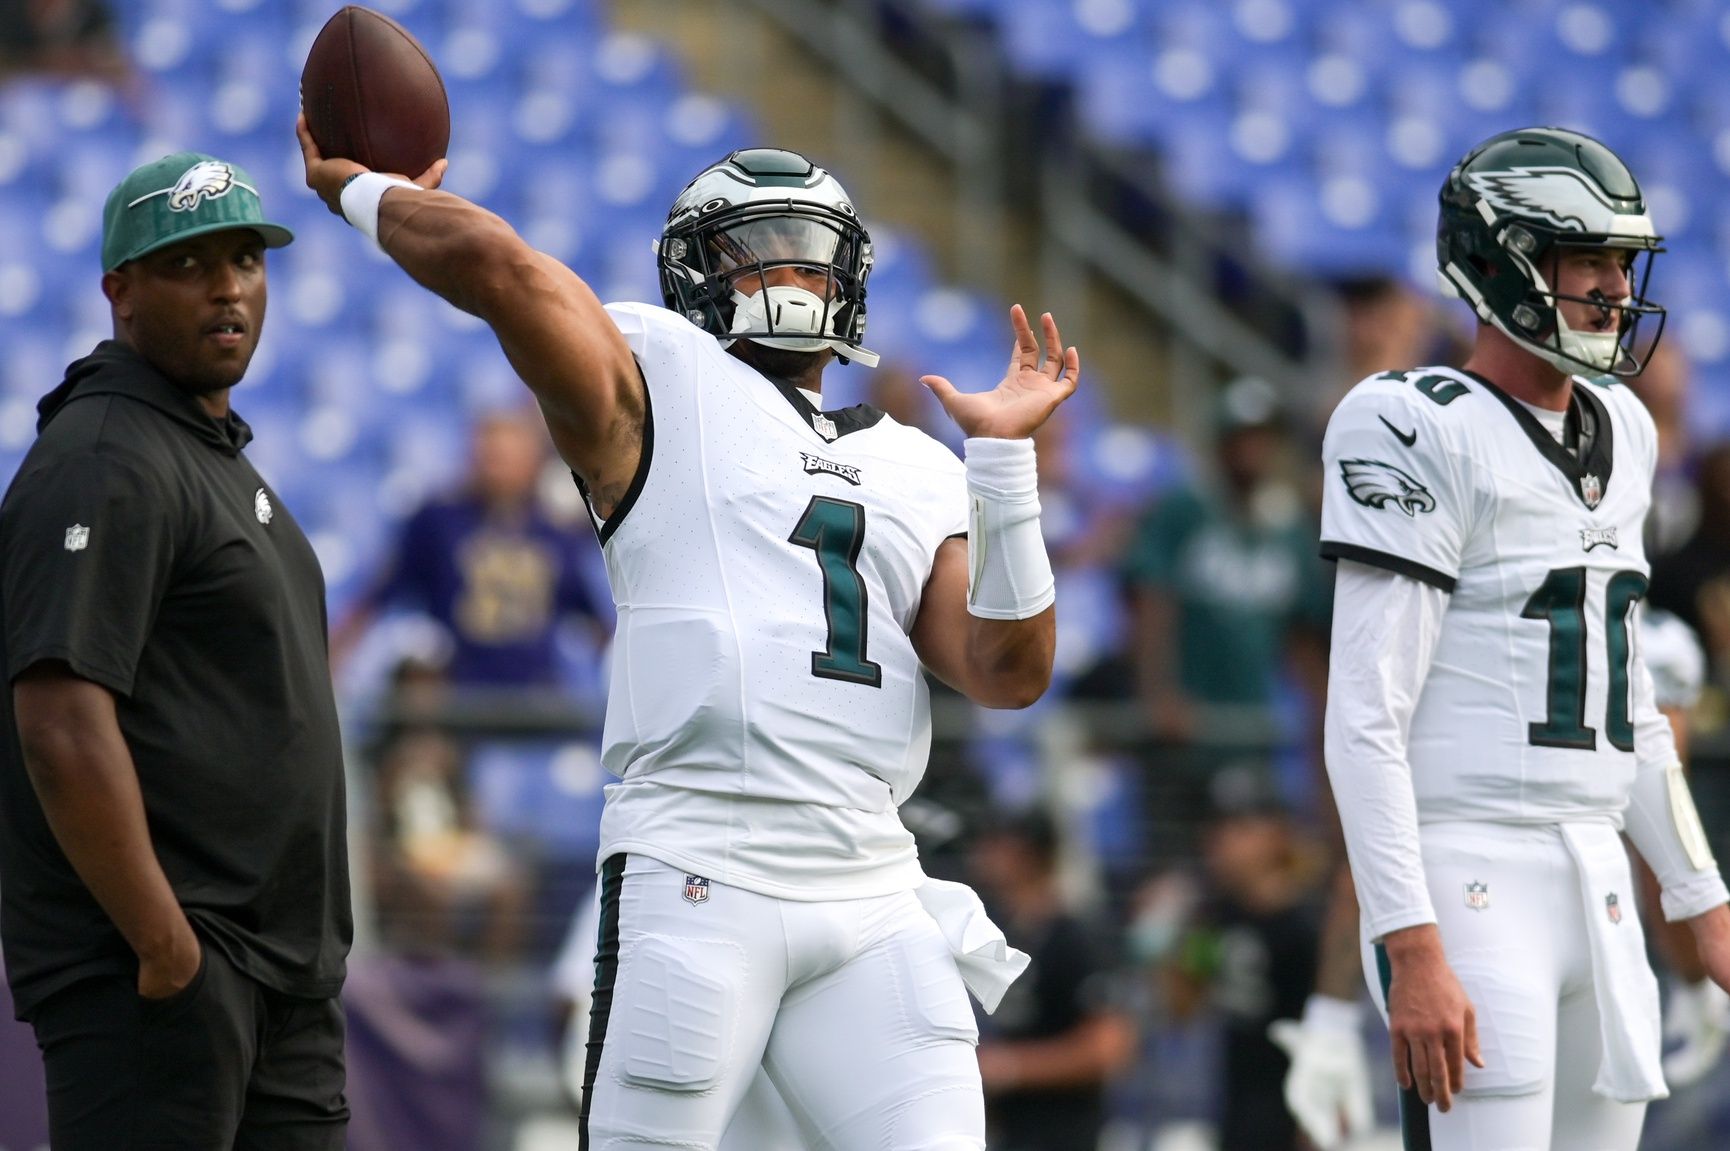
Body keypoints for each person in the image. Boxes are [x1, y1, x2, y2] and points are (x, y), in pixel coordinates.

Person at [300, 123, 1077, 1149]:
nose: (788, 271)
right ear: (698, 273)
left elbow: (1008, 672)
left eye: (808, 247)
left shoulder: (918, 463)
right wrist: (372, 193)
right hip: (700, 860)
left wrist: (1004, 470)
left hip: (871, 884)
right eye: (759, 247)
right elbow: (501, 268)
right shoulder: (656, 379)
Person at [1316, 126, 1730, 1150]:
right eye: (1583, 256)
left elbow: (1629, 705)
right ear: (1499, 262)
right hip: (1471, 866)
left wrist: (1700, 899)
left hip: (1596, 873)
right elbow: (1363, 714)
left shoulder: (1622, 428)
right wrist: (1406, 939)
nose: (1612, 287)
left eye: (1620, 260)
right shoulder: (1412, 418)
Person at [0, 152, 350, 1148]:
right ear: (120, 288)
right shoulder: (105, 456)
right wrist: (165, 945)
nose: (230, 286)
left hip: (275, 978)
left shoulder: (206, 454)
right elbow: (60, 720)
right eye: (190, 264)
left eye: (246, 258)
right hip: (165, 975)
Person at [332, 405, 607, 691]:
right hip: (458, 697)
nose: (496, 466)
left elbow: (594, 619)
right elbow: (381, 593)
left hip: (535, 699)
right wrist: (336, 655)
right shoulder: (438, 523)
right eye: (489, 454)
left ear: (533, 460)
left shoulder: (557, 534)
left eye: (505, 456)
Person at [970, 809, 1137, 1151]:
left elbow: (1110, 1047)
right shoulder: (998, 931)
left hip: (1063, 1133)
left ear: (1028, 854)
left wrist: (1011, 1066)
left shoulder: (1075, 938)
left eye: (999, 842)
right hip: (1009, 1130)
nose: (984, 851)